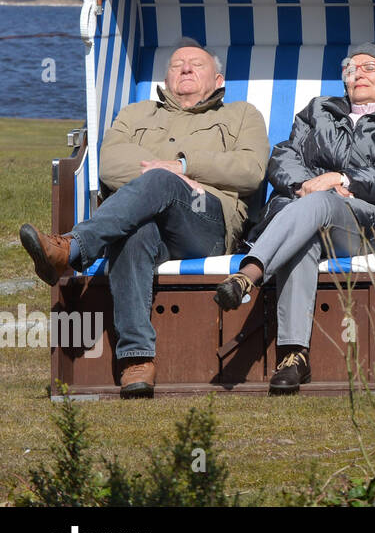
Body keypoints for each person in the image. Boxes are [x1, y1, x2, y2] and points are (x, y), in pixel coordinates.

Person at [20, 38, 269, 398]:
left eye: (196, 64)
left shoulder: (242, 115)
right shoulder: (134, 114)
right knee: (135, 233)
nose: (185, 67)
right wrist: (166, 179)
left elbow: (251, 170)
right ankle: (136, 360)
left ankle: (73, 248)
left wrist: (183, 167)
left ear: (218, 80)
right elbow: (110, 165)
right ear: (166, 78)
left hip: (206, 222)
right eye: (176, 63)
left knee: (160, 182)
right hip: (146, 224)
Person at [214, 42, 375, 394]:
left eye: (370, 67)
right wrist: (303, 184)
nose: (358, 73)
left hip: (366, 222)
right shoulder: (319, 110)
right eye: (351, 68)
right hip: (307, 215)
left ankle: (248, 273)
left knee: (319, 204)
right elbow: (283, 154)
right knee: (305, 238)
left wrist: (343, 180)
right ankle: (294, 357)